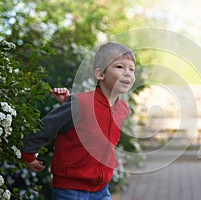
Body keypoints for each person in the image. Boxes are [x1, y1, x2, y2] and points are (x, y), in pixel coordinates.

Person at [21, 42, 136, 200]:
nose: (128, 73)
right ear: (100, 74)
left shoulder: (122, 109)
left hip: (102, 189)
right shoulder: (80, 104)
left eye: (131, 69)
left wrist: (72, 109)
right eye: (120, 67)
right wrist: (28, 155)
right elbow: (47, 126)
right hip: (71, 190)